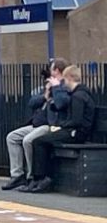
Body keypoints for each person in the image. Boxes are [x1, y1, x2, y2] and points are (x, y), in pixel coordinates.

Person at [26, 65, 96, 193]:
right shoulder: (80, 94)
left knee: (39, 142)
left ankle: (40, 178)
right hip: (75, 131)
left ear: (69, 78)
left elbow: (76, 121)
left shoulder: (78, 96)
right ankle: (42, 177)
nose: (64, 83)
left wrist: (60, 126)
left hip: (75, 133)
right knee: (43, 142)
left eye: (65, 79)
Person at [2, 58, 69, 190]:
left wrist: (55, 88)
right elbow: (32, 103)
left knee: (28, 140)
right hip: (36, 123)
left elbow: (62, 103)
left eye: (51, 69)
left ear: (56, 70)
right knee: (12, 137)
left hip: (50, 124)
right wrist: (45, 95)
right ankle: (17, 175)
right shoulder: (48, 86)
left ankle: (31, 176)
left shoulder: (64, 86)